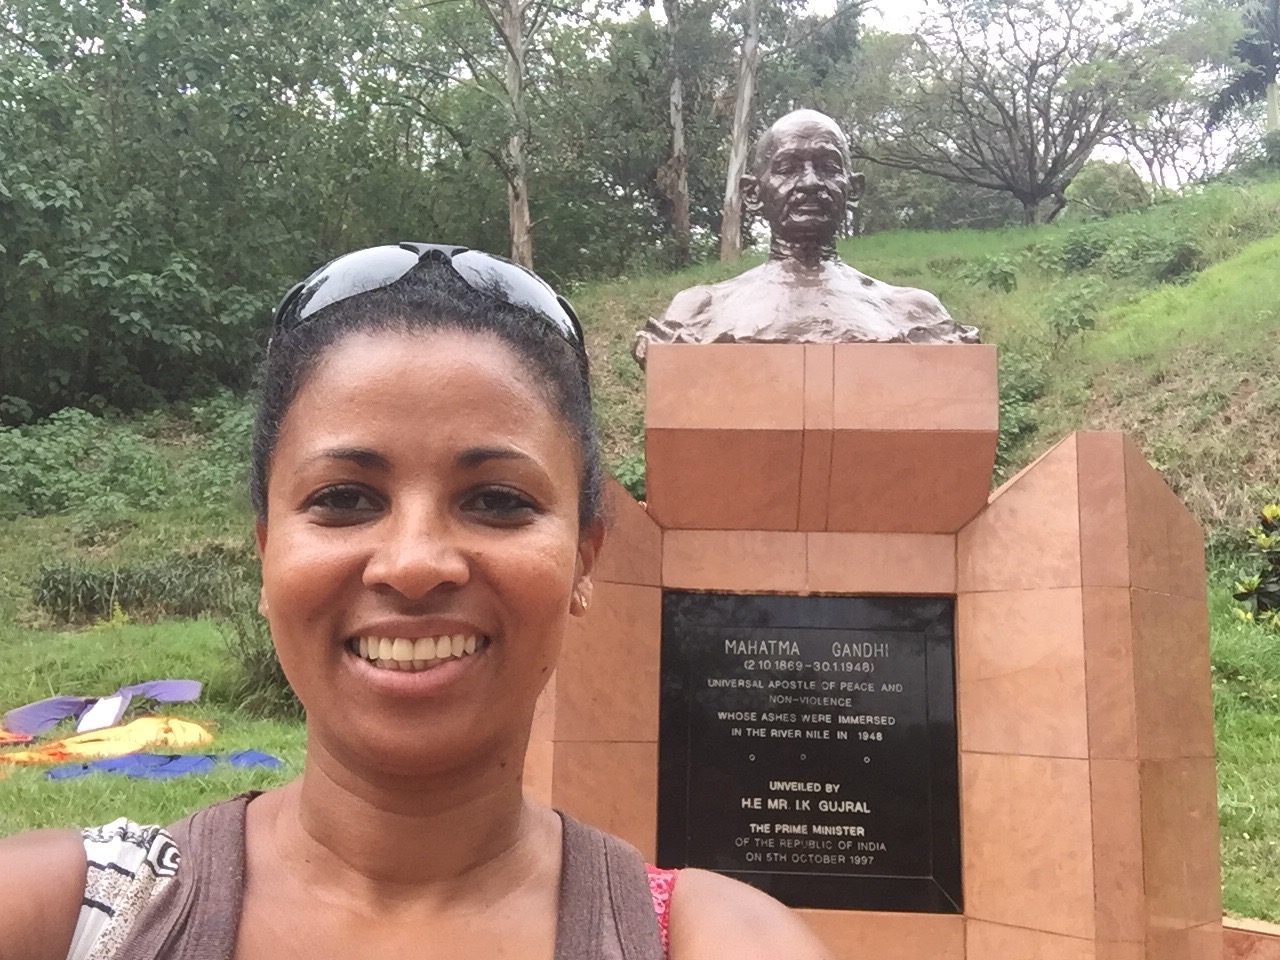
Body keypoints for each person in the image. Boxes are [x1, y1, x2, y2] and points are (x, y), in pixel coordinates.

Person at [0, 243, 830, 960]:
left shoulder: (713, 940)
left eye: (497, 501)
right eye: (345, 498)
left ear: (585, 557)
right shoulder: (56, 916)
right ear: (266, 550)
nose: (414, 564)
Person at [633, 109, 979, 365]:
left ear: (853, 189)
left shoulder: (916, 313)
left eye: (828, 167)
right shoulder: (698, 312)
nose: (811, 182)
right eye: (788, 168)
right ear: (752, 194)